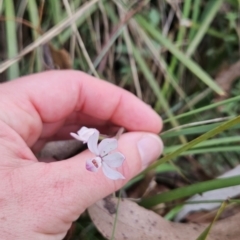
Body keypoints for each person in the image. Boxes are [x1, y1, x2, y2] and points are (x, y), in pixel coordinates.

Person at [0, 70, 163, 239]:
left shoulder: (108, 162)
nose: (95, 163)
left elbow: (115, 160)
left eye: (97, 162)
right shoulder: (94, 147)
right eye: (96, 162)